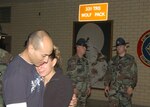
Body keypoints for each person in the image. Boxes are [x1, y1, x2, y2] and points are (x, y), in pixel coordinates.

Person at [3, 30, 54, 107]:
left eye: (48, 55)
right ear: (31, 49)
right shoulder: (16, 74)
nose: (46, 60)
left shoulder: (35, 64)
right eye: (44, 55)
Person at [104, 37, 138, 107]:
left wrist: (131, 86)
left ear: (125, 47)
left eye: (121, 46)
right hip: (113, 91)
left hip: (125, 91)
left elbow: (134, 75)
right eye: (117, 46)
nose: (119, 48)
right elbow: (108, 73)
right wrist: (106, 85)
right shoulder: (112, 60)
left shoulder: (130, 59)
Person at [67, 38, 91, 107]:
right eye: (83, 47)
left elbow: (88, 74)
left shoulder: (85, 61)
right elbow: (70, 76)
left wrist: (89, 86)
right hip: (76, 90)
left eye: (85, 47)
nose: (85, 48)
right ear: (78, 47)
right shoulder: (72, 61)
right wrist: (73, 88)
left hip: (84, 90)